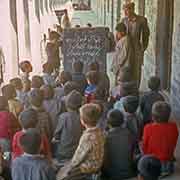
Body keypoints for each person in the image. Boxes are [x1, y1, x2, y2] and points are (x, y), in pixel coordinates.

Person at [57, 103, 105, 180]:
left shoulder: (87, 137)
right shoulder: (100, 132)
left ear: (82, 121)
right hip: (98, 164)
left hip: (88, 167)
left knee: (64, 176)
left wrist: (70, 166)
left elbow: (78, 157)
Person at [142, 101, 179, 176]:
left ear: (152, 116)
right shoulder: (174, 126)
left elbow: (144, 146)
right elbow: (173, 142)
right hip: (168, 163)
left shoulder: (147, 128)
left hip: (152, 163)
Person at [102, 109, 136, 180]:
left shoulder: (105, 137)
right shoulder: (129, 134)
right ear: (123, 121)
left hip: (112, 175)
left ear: (108, 122)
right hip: (129, 172)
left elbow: (104, 159)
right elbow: (132, 153)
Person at [121, 2, 150, 87]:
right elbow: (119, 34)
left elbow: (146, 35)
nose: (125, 13)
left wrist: (143, 48)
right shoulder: (124, 20)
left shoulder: (141, 20)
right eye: (124, 10)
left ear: (132, 9)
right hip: (126, 48)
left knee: (136, 69)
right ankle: (126, 88)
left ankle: (135, 89)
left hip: (136, 48)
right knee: (126, 68)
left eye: (127, 10)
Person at [53, 90, 82, 163]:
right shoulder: (82, 116)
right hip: (77, 150)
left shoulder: (63, 117)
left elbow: (57, 135)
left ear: (67, 103)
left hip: (63, 151)